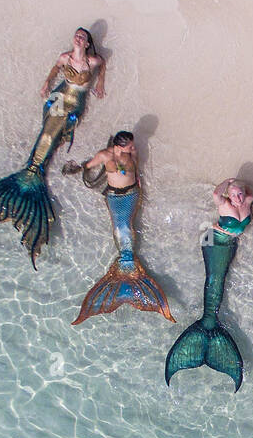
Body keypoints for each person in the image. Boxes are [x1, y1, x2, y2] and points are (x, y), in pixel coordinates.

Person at [0, 28, 106, 267]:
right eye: (76, 35)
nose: (78, 38)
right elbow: (55, 69)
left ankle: (33, 172)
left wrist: (100, 84)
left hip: (75, 102)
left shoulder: (93, 61)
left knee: (55, 133)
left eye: (82, 37)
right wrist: (46, 84)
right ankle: (33, 170)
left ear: (87, 43)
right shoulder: (65, 57)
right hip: (60, 96)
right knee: (46, 133)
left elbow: (101, 66)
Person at [64, 131, 173, 325]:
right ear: (119, 146)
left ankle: (128, 267)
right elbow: (89, 166)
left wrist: (138, 179)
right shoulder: (106, 156)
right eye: (129, 146)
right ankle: (127, 265)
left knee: (128, 224)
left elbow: (135, 167)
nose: (133, 148)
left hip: (131, 194)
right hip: (115, 196)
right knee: (121, 226)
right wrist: (76, 169)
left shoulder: (132, 154)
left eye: (132, 145)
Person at [164, 179, 253, 391]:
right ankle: (208, 323)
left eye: (240, 193)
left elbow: (250, 205)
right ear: (229, 197)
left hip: (229, 242)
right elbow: (216, 194)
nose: (239, 198)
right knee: (215, 278)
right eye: (234, 195)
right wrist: (229, 182)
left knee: (219, 278)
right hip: (215, 241)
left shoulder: (247, 200)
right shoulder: (224, 204)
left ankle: (209, 323)